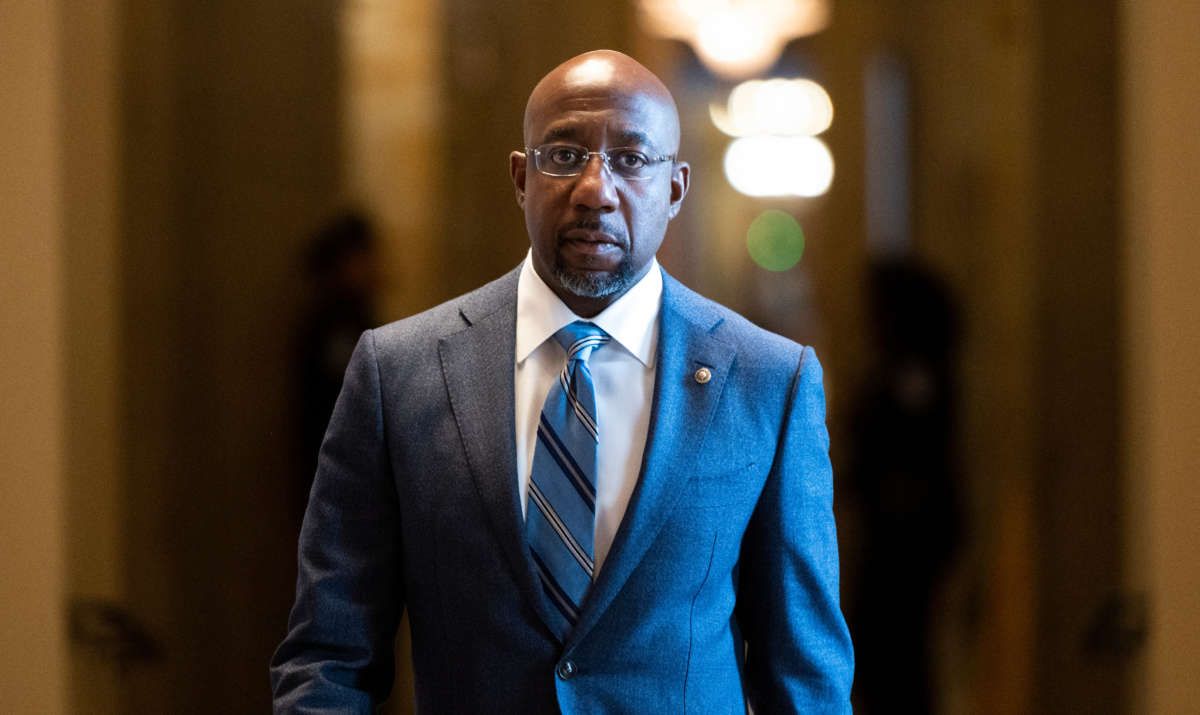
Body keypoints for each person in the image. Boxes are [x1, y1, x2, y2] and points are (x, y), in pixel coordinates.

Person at [271, 50, 853, 713]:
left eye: (632, 160)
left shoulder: (768, 381)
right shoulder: (397, 373)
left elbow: (804, 679)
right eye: (565, 155)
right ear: (522, 178)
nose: (596, 189)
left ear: (675, 189)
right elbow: (330, 658)